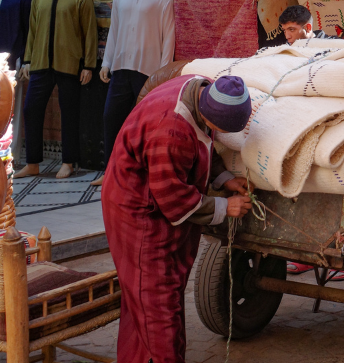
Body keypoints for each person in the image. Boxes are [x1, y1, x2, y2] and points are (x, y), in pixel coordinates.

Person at [102, 75, 255, 362]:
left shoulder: (204, 90)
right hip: (136, 207)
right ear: (209, 115)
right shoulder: (171, 128)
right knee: (157, 298)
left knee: (146, 297)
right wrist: (225, 207)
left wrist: (224, 178)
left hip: (156, 190)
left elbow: (205, 144)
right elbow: (173, 199)